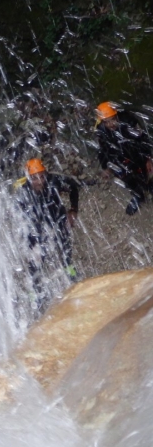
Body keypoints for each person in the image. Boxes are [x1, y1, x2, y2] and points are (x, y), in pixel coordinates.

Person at [16, 158, 79, 302]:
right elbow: (19, 214)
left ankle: (68, 268)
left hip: (57, 217)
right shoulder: (24, 191)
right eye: (35, 178)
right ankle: (35, 290)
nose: (40, 182)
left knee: (64, 242)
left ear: (46, 174)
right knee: (36, 256)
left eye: (42, 176)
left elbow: (73, 187)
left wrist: (73, 210)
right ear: (29, 178)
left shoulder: (54, 181)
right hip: (36, 224)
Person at [94, 101, 153, 215]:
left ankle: (149, 186)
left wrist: (148, 158)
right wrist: (107, 167)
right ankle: (138, 195)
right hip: (119, 157)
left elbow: (143, 140)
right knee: (126, 178)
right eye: (107, 122)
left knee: (143, 171)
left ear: (116, 116)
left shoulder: (128, 121)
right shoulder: (101, 131)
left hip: (135, 152)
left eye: (112, 119)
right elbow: (103, 150)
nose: (111, 124)